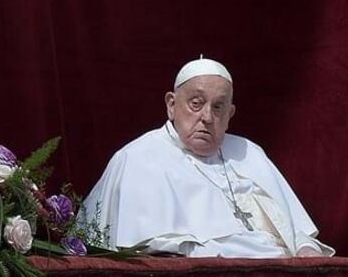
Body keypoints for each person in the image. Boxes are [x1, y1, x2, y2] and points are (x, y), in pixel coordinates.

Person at [80, 58, 334, 258]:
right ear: (171, 105)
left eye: (218, 107)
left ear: (230, 113)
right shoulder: (138, 159)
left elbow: (292, 228)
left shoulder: (249, 153)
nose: (207, 117)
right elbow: (156, 250)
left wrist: (304, 247)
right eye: (196, 103)